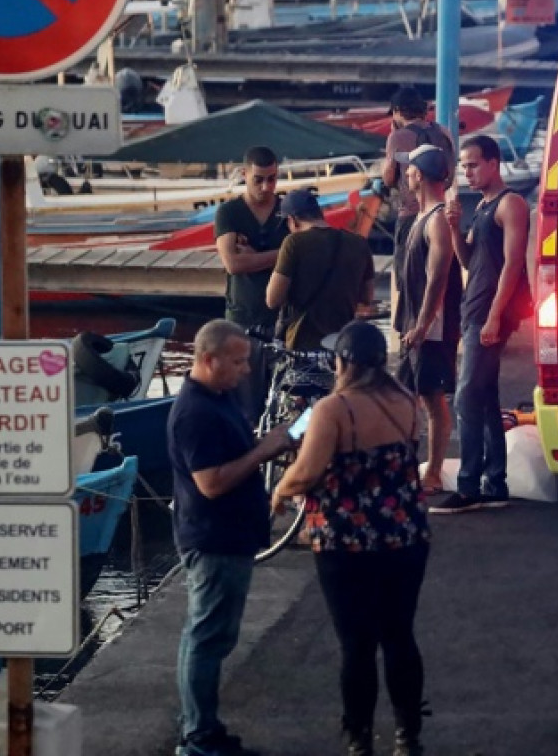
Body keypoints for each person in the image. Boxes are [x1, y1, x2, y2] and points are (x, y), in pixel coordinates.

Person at [270, 321, 432, 756]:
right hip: (405, 535)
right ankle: (408, 735)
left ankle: (359, 739)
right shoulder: (405, 399)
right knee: (399, 634)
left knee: (356, 643)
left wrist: (280, 489)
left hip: (348, 544)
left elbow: (307, 471)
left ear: (342, 361)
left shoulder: (333, 410)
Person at [168, 319, 295, 756]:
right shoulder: (196, 413)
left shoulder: (216, 399)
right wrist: (264, 451)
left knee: (207, 635)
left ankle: (201, 728)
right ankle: (198, 736)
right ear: (209, 359)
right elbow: (212, 482)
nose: (246, 370)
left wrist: (267, 441)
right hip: (214, 539)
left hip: (227, 535)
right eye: (238, 361)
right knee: (207, 637)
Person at [433, 135, 531, 514]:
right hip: (475, 308)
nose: (468, 173)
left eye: (474, 165)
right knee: (485, 397)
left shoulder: (512, 204)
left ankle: (470, 484)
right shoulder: (483, 207)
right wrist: (455, 227)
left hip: (490, 313)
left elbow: (512, 263)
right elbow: (468, 260)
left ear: (494, 163)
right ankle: (495, 484)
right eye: (465, 166)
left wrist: (493, 316)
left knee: (466, 395)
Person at [395, 145, 462, 496]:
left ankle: (433, 472)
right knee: (410, 395)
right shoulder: (420, 217)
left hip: (431, 330)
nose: (405, 174)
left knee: (432, 399)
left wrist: (423, 324)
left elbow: (438, 275)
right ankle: (412, 466)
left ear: (419, 175)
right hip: (416, 326)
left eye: (409, 169)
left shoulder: (435, 219)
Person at [215, 146, 287, 419]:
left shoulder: (285, 211)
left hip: (282, 321)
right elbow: (233, 264)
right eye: (259, 179)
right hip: (243, 320)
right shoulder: (229, 212)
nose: (266, 186)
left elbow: (305, 255)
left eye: (272, 179)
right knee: (244, 407)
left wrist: (256, 257)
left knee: (284, 409)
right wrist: (283, 255)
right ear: (245, 175)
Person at [265, 188, 376, 352]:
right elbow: (367, 297)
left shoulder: (294, 242)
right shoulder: (359, 243)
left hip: (303, 347)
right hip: (341, 346)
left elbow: (272, 300)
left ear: (292, 221)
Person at [383, 87, 454, 320]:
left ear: (396, 111)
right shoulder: (444, 132)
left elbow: (389, 178)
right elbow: (450, 175)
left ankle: (412, 327)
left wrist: (394, 136)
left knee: (407, 280)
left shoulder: (397, 137)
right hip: (439, 211)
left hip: (410, 215)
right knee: (437, 275)